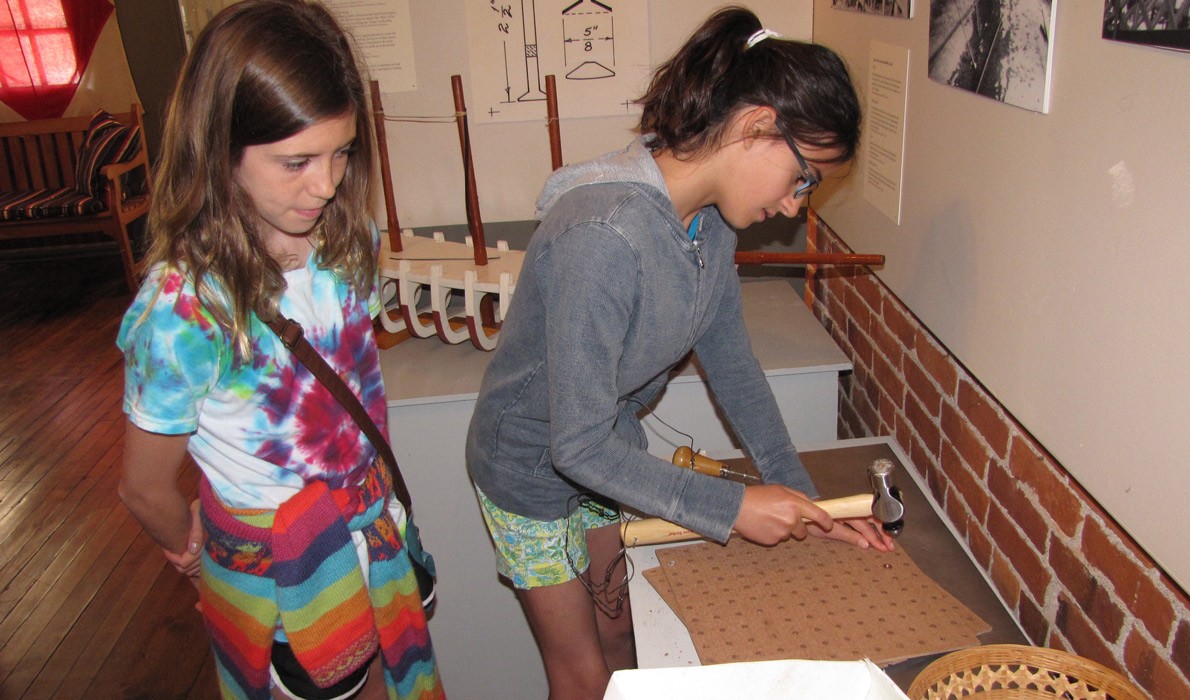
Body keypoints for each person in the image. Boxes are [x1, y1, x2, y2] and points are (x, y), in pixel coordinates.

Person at [466, 6, 894, 699]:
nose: (794, 205)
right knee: (581, 675)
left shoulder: (710, 226)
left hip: (606, 451)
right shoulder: (603, 237)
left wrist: (808, 504)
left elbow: (734, 367)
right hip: (528, 466)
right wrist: (731, 507)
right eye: (802, 177)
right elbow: (572, 447)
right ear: (757, 126)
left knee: (621, 639)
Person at [116, 2, 443, 698]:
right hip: (280, 576)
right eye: (296, 160)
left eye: (342, 152)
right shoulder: (184, 311)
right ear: (220, 149)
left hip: (373, 541)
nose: (325, 184)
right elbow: (145, 487)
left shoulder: (346, 243)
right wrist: (194, 549)